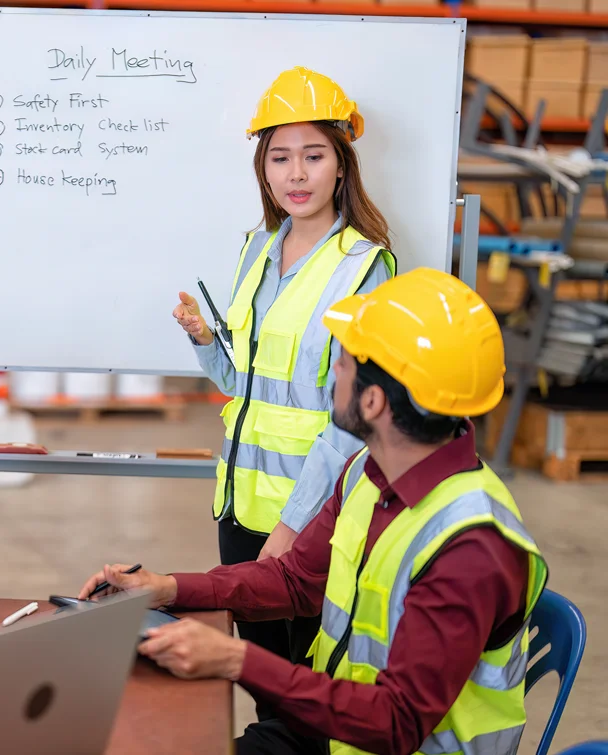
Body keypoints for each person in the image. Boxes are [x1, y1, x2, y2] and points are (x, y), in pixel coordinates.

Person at [85, 268, 549, 755]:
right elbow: (296, 580)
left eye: (341, 364)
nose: (332, 377)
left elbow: (397, 723)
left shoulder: (471, 548)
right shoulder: (367, 472)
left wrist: (237, 660)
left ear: (372, 401)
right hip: (334, 732)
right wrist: (169, 588)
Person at [171, 66, 397, 683]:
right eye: (280, 158)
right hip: (239, 508)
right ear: (263, 170)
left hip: (310, 519)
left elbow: (354, 421)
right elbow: (243, 385)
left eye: (314, 155)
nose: (295, 175)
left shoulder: (363, 270)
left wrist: (295, 526)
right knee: (259, 678)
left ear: (342, 165)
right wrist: (204, 342)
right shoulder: (256, 249)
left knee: (303, 686)